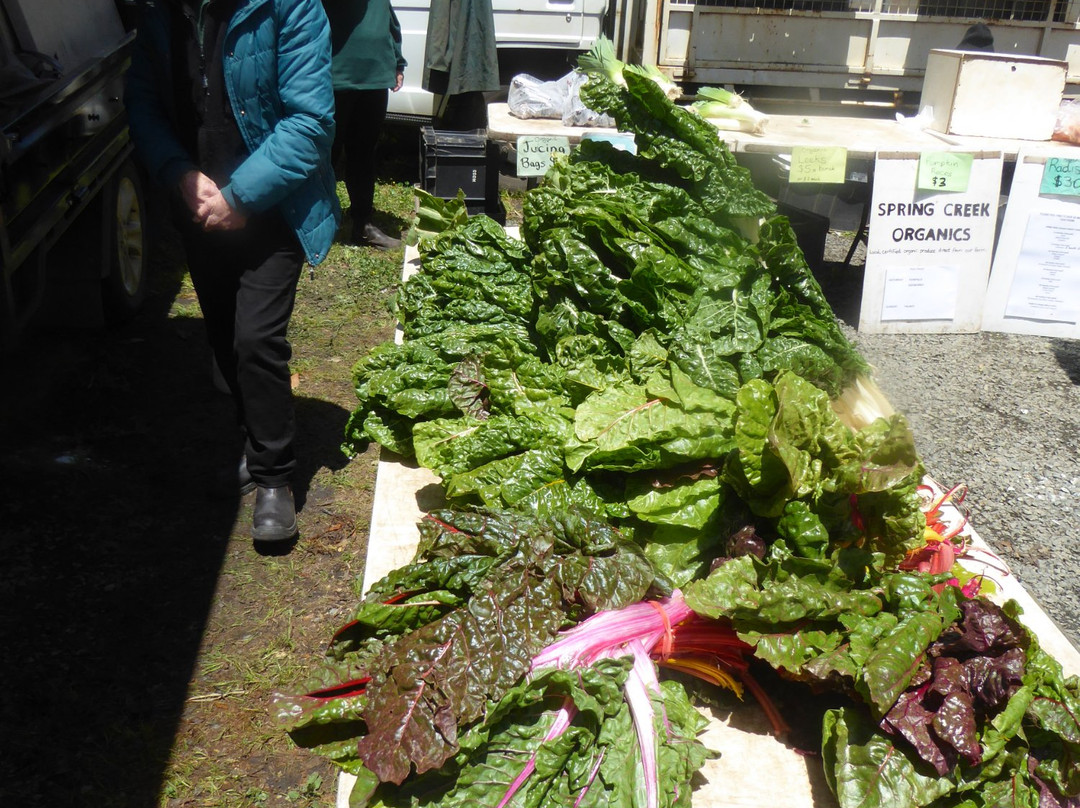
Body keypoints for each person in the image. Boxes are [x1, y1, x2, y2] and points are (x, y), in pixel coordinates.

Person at [124, 0, 340, 544]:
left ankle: (274, 479)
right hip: (199, 204)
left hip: (273, 208)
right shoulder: (162, 12)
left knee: (256, 339)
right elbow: (144, 101)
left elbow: (310, 122)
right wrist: (179, 173)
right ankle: (254, 440)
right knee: (222, 333)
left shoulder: (289, 7)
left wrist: (240, 196)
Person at [324, 0, 407, 249]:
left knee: (363, 153)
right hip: (336, 76)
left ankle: (362, 224)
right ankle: (316, 224)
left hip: (375, 77)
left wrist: (397, 61)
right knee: (325, 155)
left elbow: (388, 17)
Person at [422, 0, 499, 130]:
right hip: (468, 66)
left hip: (456, 69)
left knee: (460, 116)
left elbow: (440, 20)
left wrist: (438, 60)